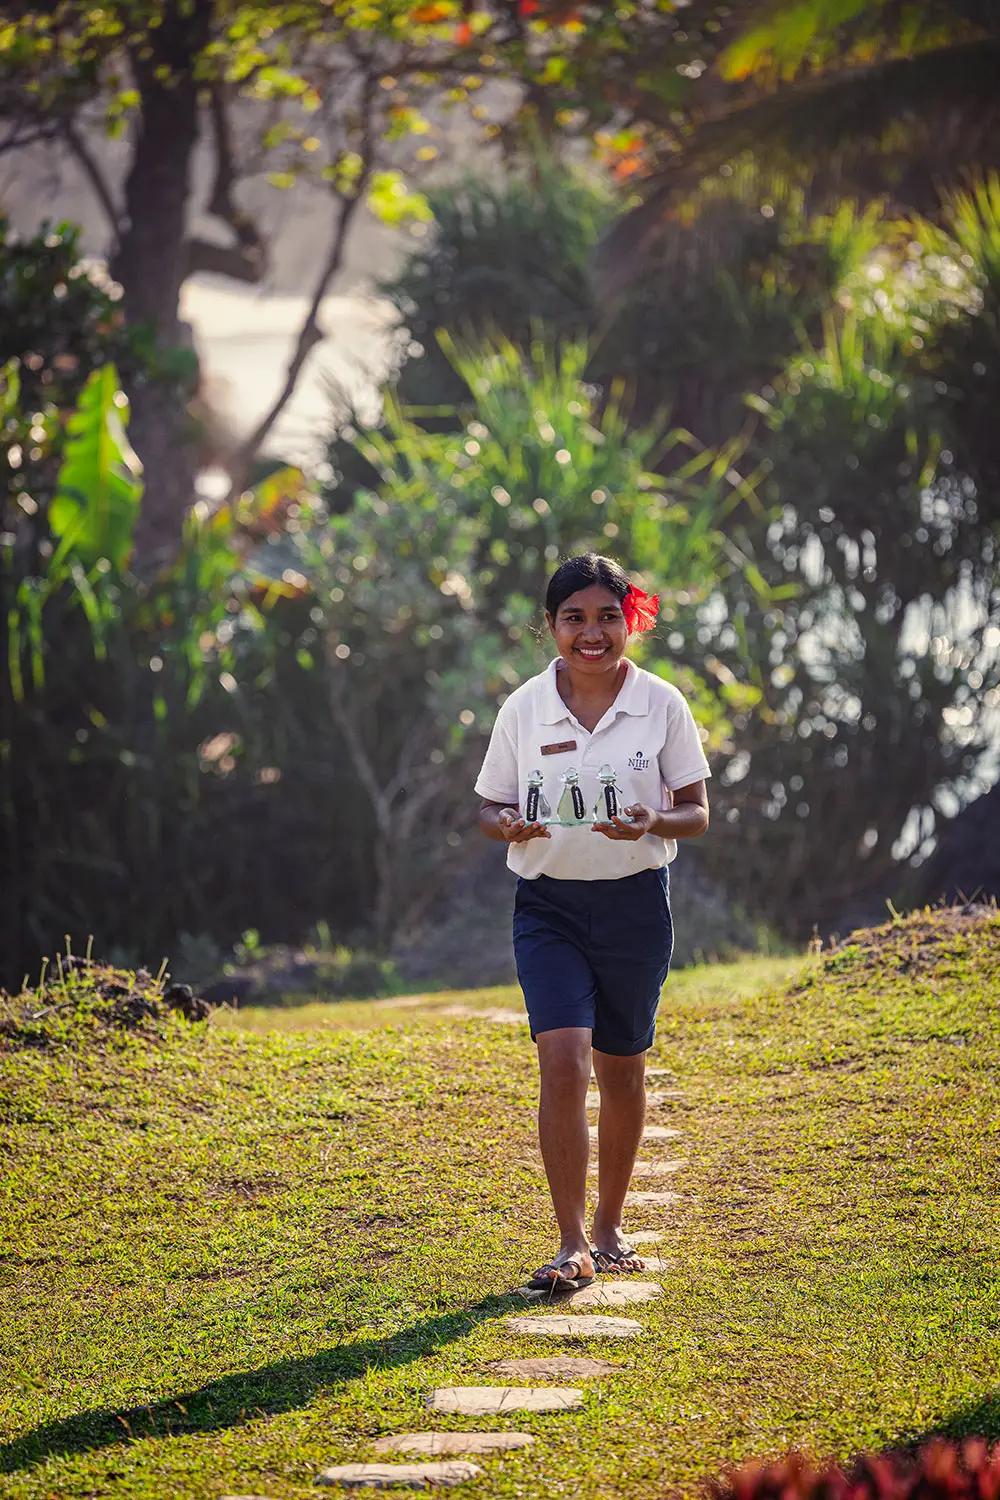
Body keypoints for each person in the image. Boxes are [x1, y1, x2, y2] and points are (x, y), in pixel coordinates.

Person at [474, 552, 710, 1291]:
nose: (592, 633)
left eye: (608, 616)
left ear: (628, 621)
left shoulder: (661, 703)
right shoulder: (522, 709)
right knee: (563, 1057)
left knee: (622, 1066)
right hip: (547, 908)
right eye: (574, 618)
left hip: (635, 907)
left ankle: (610, 1228)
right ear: (550, 625)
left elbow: (696, 812)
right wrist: (505, 824)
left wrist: (653, 819)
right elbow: (489, 806)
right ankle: (571, 1243)